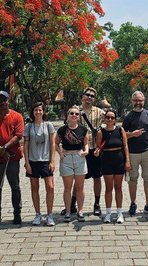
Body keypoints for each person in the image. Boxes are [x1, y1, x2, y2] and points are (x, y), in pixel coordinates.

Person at [62, 87, 105, 216]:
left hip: (94, 149)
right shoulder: (76, 111)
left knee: (97, 177)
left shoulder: (99, 112)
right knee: (78, 178)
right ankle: (72, 204)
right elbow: (67, 126)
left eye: (92, 96)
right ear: (83, 96)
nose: (89, 97)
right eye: (87, 94)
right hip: (79, 150)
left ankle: (97, 204)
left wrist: (108, 106)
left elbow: (111, 118)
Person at [0, 91, 24, 226]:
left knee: (15, 186)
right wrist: (0, 151)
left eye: (5, 100)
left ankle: (17, 214)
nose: (3, 103)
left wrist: (5, 147)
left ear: (9, 100)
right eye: (0, 100)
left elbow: (18, 135)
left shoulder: (17, 116)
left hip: (13, 157)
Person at [122, 91, 148, 216]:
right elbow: (122, 135)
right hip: (132, 153)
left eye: (140, 100)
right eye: (135, 100)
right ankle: (133, 203)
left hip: (147, 152)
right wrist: (133, 134)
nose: (138, 103)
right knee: (133, 179)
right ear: (132, 101)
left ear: (144, 101)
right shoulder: (128, 116)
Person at [94, 109, 131, 224]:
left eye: (112, 118)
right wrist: (96, 152)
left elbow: (125, 146)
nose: (110, 119)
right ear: (104, 119)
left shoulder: (120, 130)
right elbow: (98, 147)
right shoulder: (101, 132)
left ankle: (119, 213)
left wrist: (127, 161)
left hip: (119, 160)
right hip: (107, 161)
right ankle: (108, 213)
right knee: (109, 188)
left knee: (118, 187)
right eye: (108, 117)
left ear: (115, 119)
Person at [23, 102, 56, 226]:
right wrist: (27, 162)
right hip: (33, 160)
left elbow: (52, 143)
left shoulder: (48, 125)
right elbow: (25, 144)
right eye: (36, 110)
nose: (38, 112)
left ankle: (50, 214)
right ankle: (37, 214)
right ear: (33, 112)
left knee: (50, 187)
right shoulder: (29, 126)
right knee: (34, 187)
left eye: (40, 110)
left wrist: (52, 161)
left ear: (43, 112)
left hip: (46, 159)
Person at [56, 106, 89, 222]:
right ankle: (68, 211)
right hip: (66, 158)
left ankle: (80, 211)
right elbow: (55, 143)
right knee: (67, 188)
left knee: (80, 187)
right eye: (72, 114)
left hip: (79, 157)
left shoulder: (83, 129)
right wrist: (60, 153)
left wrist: (86, 151)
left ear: (79, 117)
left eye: (76, 114)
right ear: (68, 115)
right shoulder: (62, 130)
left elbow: (86, 143)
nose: (74, 116)